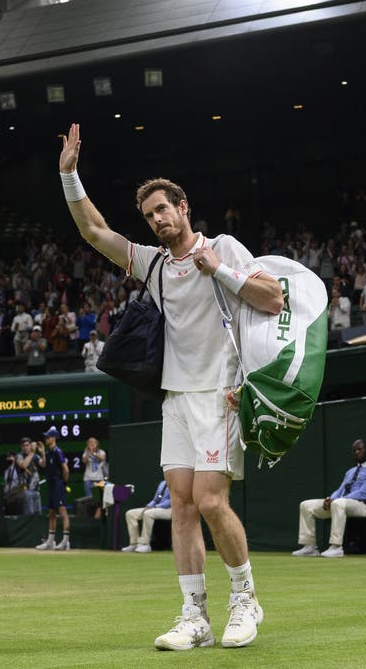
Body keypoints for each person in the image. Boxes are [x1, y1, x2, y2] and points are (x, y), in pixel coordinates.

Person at [58, 123, 283, 650]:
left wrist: (219, 271)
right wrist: (69, 176)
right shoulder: (153, 263)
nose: (157, 219)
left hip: (221, 393)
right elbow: (95, 233)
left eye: (163, 209)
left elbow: (272, 298)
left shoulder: (222, 246)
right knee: (181, 505)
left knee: (209, 501)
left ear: (183, 208)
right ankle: (195, 616)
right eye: (149, 215)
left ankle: (246, 599)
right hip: (176, 398)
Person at [292, 438, 366, 558]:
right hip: (340, 503)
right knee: (306, 505)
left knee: (339, 503)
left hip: (363, 506)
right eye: (354, 450)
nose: (357, 452)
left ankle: (336, 547)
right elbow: (340, 490)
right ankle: (310, 547)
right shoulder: (350, 472)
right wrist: (330, 499)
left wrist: (336, 501)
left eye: (360, 449)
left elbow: (364, 493)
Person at [34, 426, 71, 550]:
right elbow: (44, 464)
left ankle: (66, 542)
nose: (46, 438)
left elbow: (66, 469)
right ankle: (50, 542)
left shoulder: (57, 451)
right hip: (51, 485)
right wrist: (42, 452)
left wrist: (63, 483)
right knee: (51, 513)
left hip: (57, 484)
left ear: (54, 438)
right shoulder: (49, 452)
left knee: (63, 512)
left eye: (48, 437)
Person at [122, 478, 172, 553]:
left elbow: (172, 500)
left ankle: (145, 544)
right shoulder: (162, 483)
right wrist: (149, 506)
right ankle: (134, 543)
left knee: (148, 513)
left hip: (170, 510)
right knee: (130, 514)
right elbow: (155, 499)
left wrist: (155, 507)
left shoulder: (176, 483)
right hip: (156, 508)